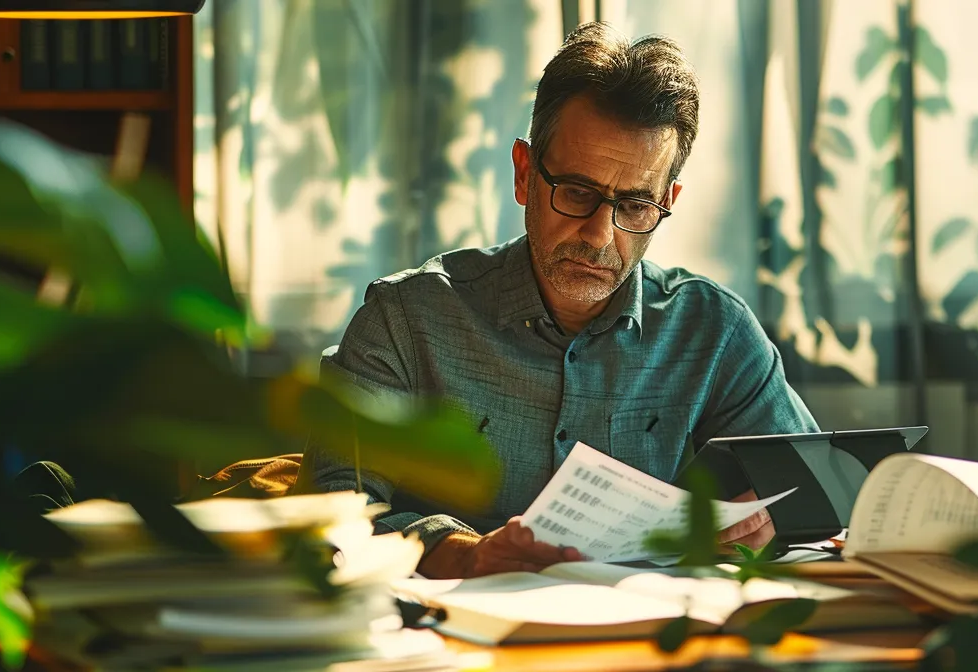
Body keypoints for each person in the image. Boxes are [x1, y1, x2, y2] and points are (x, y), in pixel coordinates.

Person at [297, 21, 818, 579]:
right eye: (576, 192)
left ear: (668, 201)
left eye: (636, 206)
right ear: (524, 174)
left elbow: (805, 494)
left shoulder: (714, 331)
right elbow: (332, 516)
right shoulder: (405, 320)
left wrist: (765, 524)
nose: (599, 234)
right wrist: (461, 552)